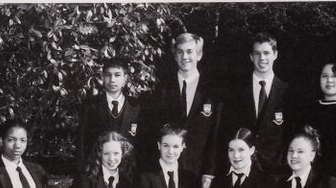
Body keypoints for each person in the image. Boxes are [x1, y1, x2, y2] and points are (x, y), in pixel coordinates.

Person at [151, 32, 220, 186]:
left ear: (199, 55)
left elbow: (215, 135)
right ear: (175, 56)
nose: (185, 57)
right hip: (168, 169)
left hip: (199, 171)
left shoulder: (212, 91)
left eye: (190, 52)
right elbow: (155, 129)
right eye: (180, 52)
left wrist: (209, 171)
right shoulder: (163, 88)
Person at [222, 33, 289, 177]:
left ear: (275, 55)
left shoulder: (287, 92)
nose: (262, 58)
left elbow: (289, 134)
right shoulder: (235, 90)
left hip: (275, 173)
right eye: (257, 53)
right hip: (242, 170)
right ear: (251, 56)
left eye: (266, 53)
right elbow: (225, 129)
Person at [77, 58, 141, 170]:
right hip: (97, 169)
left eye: (117, 75)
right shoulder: (90, 105)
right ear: (102, 77)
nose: (112, 80)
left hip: (129, 171)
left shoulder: (136, 106)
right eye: (108, 75)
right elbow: (82, 141)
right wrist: (83, 170)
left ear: (125, 79)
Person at [0, 118, 48, 188]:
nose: (18, 146)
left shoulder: (38, 170)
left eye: (23, 140)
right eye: (11, 140)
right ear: (1, 141)